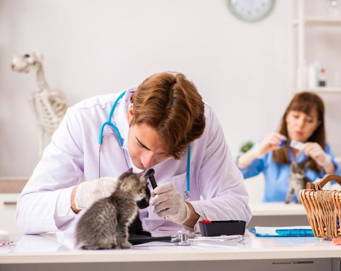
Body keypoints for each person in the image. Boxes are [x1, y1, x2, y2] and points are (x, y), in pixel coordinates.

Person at [17, 72, 251, 234]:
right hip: (99, 264)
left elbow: (240, 208)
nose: (147, 162)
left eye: (165, 154)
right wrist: (77, 197)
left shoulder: (204, 125)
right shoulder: (84, 119)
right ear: (131, 115)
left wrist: (188, 212)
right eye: (142, 144)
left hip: (177, 264)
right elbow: (26, 212)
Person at [237, 91, 341, 203]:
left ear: (317, 125)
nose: (300, 124)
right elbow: (237, 174)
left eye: (309, 120)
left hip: (311, 219)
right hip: (273, 217)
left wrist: (327, 164)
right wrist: (255, 152)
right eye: (296, 116)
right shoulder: (270, 146)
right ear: (287, 116)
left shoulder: (322, 150)